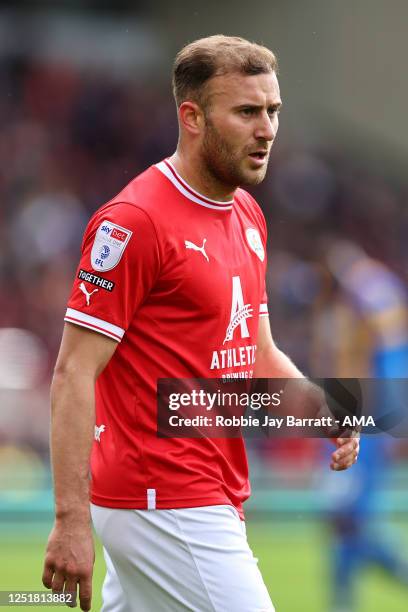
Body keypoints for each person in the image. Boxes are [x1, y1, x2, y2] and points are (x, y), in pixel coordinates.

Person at [42, 35, 359, 612]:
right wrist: (69, 519)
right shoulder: (134, 222)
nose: (266, 129)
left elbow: (256, 351)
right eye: (246, 112)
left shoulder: (247, 214)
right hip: (163, 495)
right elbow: (72, 371)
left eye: (273, 111)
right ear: (191, 117)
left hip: (207, 488)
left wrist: (325, 407)